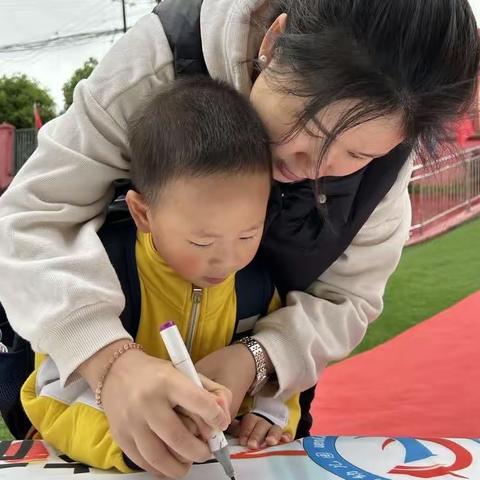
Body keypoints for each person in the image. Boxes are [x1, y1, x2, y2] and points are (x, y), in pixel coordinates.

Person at [0, 0, 478, 477]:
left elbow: (348, 298)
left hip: (261, 398)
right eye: (307, 125)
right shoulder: (159, 61)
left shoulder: (388, 162)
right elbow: (31, 216)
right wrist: (109, 361)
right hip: (84, 365)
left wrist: (258, 358)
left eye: (355, 153)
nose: (309, 166)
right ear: (272, 42)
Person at [20, 76, 300, 473]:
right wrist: (130, 439)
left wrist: (269, 416)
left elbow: (277, 371)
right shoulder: (95, 277)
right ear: (143, 213)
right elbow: (48, 397)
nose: (228, 259)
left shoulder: (257, 284)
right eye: (203, 243)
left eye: (248, 233)